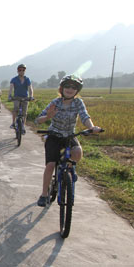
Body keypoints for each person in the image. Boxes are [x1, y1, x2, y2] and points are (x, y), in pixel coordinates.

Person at [34, 75, 101, 206]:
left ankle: (69, 171)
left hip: (70, 135)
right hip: (54, 135)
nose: (70, 89)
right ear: (62, 88)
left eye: (73, 87)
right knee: (50, 165)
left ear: (77, 91)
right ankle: (44, 194)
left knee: (77, 152)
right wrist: (48, 116)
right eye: (67, 86)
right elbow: (38, 120)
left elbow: (84, 116)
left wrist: (92, 127)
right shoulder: (55, 103)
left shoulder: (78, 103)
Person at [8, 64, 34, 134]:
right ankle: (13, 123)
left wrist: (31, 96)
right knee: (15, 109)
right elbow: (11, 88)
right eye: (20, 70)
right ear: (17, 71)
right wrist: (9, 96)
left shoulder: (27, 79)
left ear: (25, 71)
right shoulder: (14, 79)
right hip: (16, 97)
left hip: (25, 98)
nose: (21, 71)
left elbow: (30, 88)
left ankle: (22, 126)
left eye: (23, 70)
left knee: (24, 113)